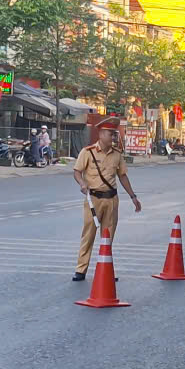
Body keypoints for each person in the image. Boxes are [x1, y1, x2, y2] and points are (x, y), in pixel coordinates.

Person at [72, 118, 142, 281]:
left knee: (108, 237)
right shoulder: (87, 152)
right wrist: (82, 183)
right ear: (102, 134)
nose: (113, 137)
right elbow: (77, 172)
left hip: (111, 200)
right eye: (111, 134)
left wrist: (133, 197)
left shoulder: (117, 154)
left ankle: (105, 269)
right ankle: (81, 269)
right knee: (88, 235)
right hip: (93, 200)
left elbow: (123, 176)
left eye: (114, 134)